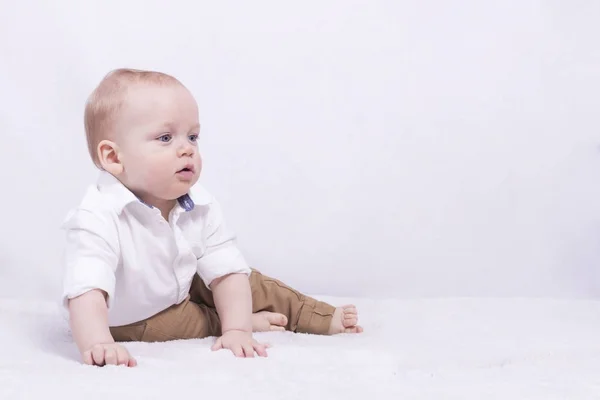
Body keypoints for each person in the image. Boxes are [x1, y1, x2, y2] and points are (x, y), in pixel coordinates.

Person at [61, 68, 363, 367]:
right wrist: (98, 342)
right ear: (113, 157)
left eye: (193, 136)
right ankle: (242, 321)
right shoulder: (97, 216)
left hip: (180, 276)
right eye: (165, 137)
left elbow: (227, 271)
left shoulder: (200, 202)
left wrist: (239, 331)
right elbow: (87, 289)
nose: (187, 149)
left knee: (249, 281)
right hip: (138, 314)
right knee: (191, 322)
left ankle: (316, 316)